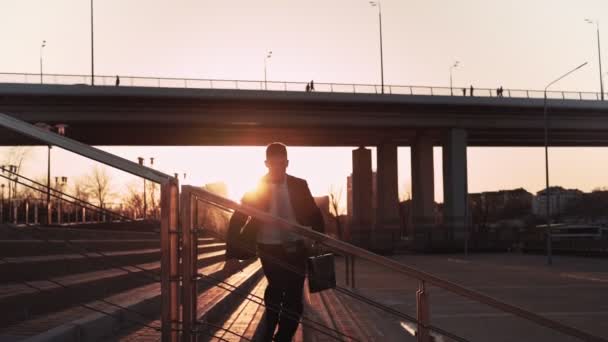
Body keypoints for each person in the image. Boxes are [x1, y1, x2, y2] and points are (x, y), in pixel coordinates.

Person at [224, 142, 325, 342]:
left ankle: (283, 337)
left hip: (297, 245)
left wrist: (319, 238)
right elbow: (238, 218)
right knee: (276, 288)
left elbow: (314, 214)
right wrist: (232, 255)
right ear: (266, 163)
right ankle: (269, 327)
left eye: (282, 164)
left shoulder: (299, 184)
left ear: (287, 163)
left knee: (295, 295)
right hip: (268, 246)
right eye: (274, 164)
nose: (278, 168)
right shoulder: (256, 187)